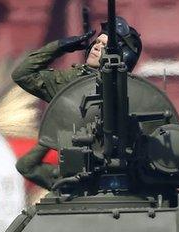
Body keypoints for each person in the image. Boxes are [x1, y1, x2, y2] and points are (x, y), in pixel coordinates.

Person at [12, 17, 142, 190]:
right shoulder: (71, 82)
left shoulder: (132, 92)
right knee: (25, 166)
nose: (96, 46)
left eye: (104, 46)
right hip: (80, 173)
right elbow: (22, 74)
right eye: (96, 42)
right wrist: (59, 47)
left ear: (123, 56)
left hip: (124, 174)